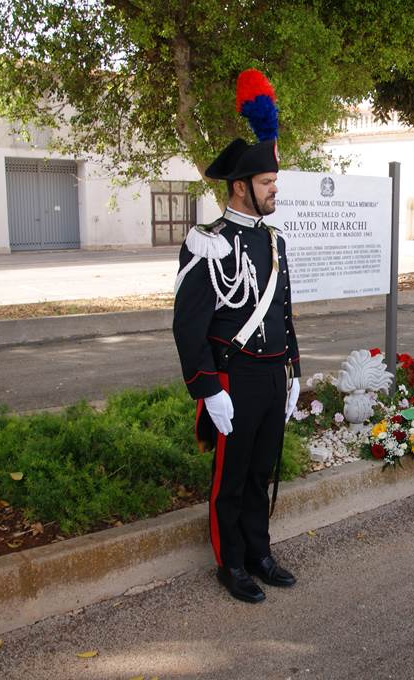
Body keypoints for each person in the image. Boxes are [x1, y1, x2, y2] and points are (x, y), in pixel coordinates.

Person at [172, 69, 301, 603]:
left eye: (275, 183)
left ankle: (259, 551)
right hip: (234, 378)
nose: (276, 191)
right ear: (241, 186)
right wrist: (208, 388)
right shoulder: (207, 242)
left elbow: (286, 315)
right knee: (231, 477)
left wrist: (294, 372)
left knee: (262, 470)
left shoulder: (274, 240)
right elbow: (188, 326)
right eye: (269, 184)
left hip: (272, 374)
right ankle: (231, 564)